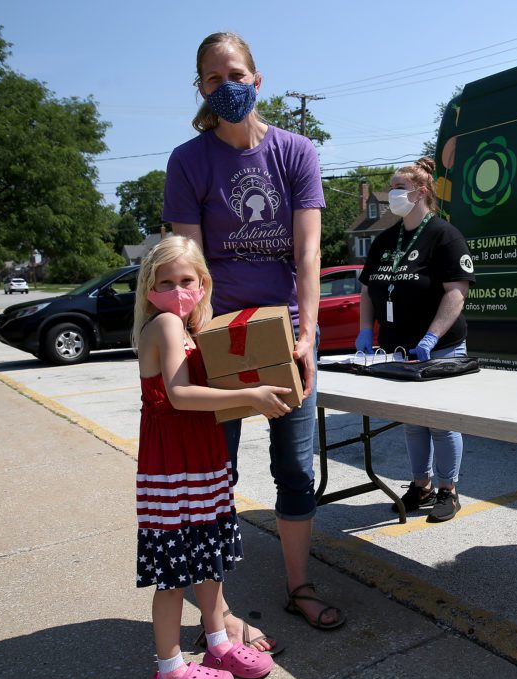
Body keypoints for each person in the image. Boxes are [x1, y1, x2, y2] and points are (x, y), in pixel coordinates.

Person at [164, 32, 345, 638]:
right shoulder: (188, 161)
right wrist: (202, 337)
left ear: (257, 79)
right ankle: (219, 610)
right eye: (214, 80)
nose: (228, 87)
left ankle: (299, 586)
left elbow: (309, 251)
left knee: (294, 467)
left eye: (236, 74)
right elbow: (189, 260)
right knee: (218, 474)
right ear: (202, 90)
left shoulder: (295, 151)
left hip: (288, 334)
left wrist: (307, 336)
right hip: (219, 336)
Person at [133, 236, 287, 679]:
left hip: (202, 456)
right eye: (166, 281)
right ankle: (171, 669)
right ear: (150, 287)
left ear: (202, 283)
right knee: (174, 571)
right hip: (173, 465)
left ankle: (219, 645)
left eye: (187, 280)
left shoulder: (192, 330)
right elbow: (179, 396)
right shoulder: (163, 325)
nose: (178, 290)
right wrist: (249, 395)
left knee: (208, 556)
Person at [356, 157, 475, 523]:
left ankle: (448, 490)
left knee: (441, 421)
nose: (391, 194)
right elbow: (366, 290)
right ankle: (420, 485)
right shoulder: (386, 239)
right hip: (398, 349)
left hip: (438, 347)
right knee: (412, 421)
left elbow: (456, 293)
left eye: (397, 188)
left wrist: (431, 337)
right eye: (391, 187)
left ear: (421, 192)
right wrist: (365, 330)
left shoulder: (444, 235)